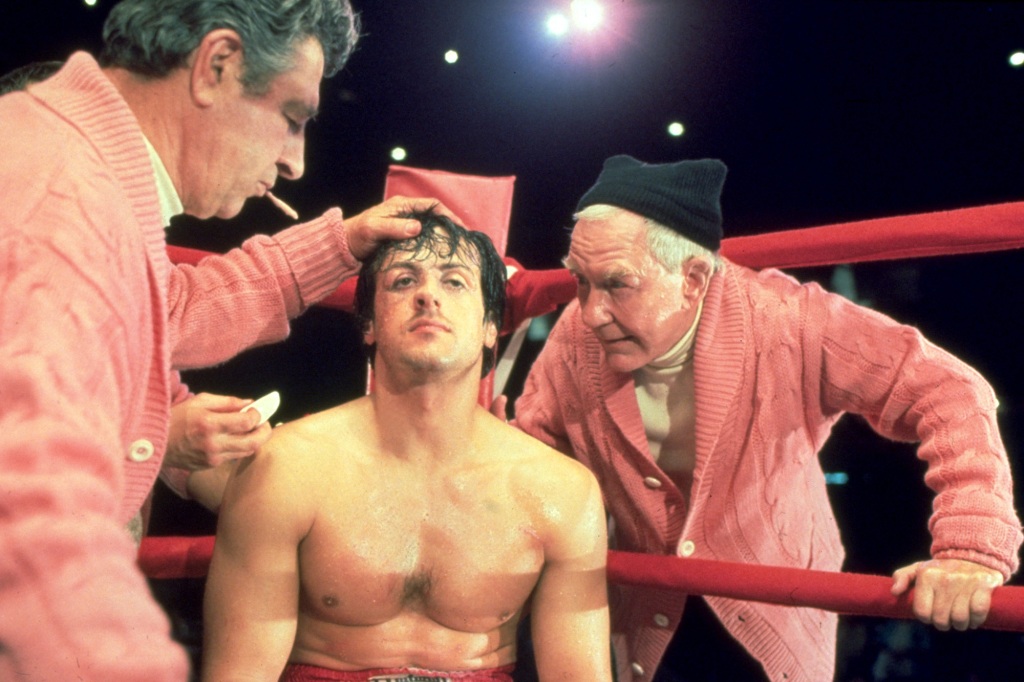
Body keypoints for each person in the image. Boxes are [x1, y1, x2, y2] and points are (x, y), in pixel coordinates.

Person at [0, 1, 453, 679]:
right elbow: (25, 512)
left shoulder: (78, 174)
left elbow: (166, 310)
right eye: (293, 118)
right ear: (217, 64)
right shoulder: (61, 199)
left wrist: (337, 243)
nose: (297, 162)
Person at [510, 154, 1023, 681]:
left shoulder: (789, 320)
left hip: (779, 612)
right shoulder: (575, 336)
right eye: (580, 281)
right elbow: (530, 450)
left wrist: (969, 548)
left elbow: (950, 390)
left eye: (618, 284)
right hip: (645, 616)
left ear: (692, 278)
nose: (591, 311)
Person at [201, 210, 613, 682]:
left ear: (488, 329)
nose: (428, 295)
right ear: (369, 326)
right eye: (402, 282)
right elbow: (238, 675)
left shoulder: (562, 492)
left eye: (455, 282)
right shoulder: (290, 466)